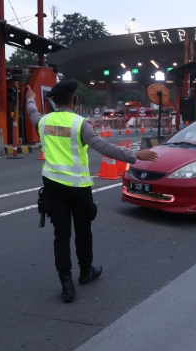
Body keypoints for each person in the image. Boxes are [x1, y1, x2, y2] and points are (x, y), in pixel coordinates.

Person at [25, 81, 158, 303]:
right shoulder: (81, 124)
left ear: (53, 101)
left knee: (61, 235)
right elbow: (103, 147)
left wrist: (30, 97)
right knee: (83, 231)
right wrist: (136, 155)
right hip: (78, 188)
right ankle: (85, 272)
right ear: (75, 100)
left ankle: (66, 284)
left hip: (53, 186)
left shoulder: (43, 121)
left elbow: (32, 112)